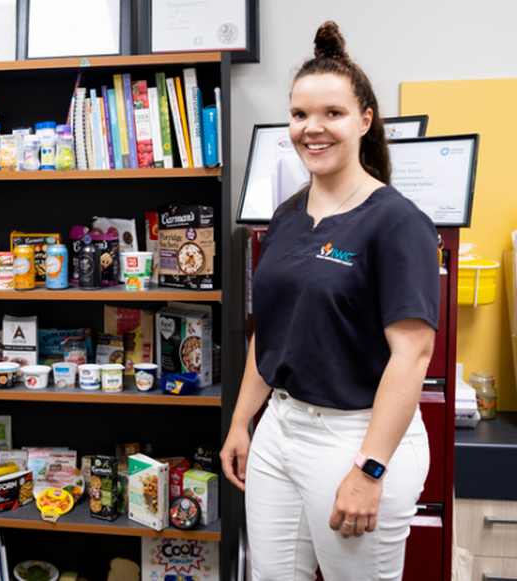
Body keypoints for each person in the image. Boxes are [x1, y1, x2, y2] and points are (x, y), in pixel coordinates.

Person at [220, 22, 440, 581]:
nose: (311, 129)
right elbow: (268, 334)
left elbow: (412, 355)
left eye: (332, 114)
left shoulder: (398, 224)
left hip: (355, 436)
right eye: (299, 115)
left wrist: (369, 468)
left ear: (365, 121)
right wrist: (243, 422)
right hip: (280, 430)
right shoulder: (288, 216)